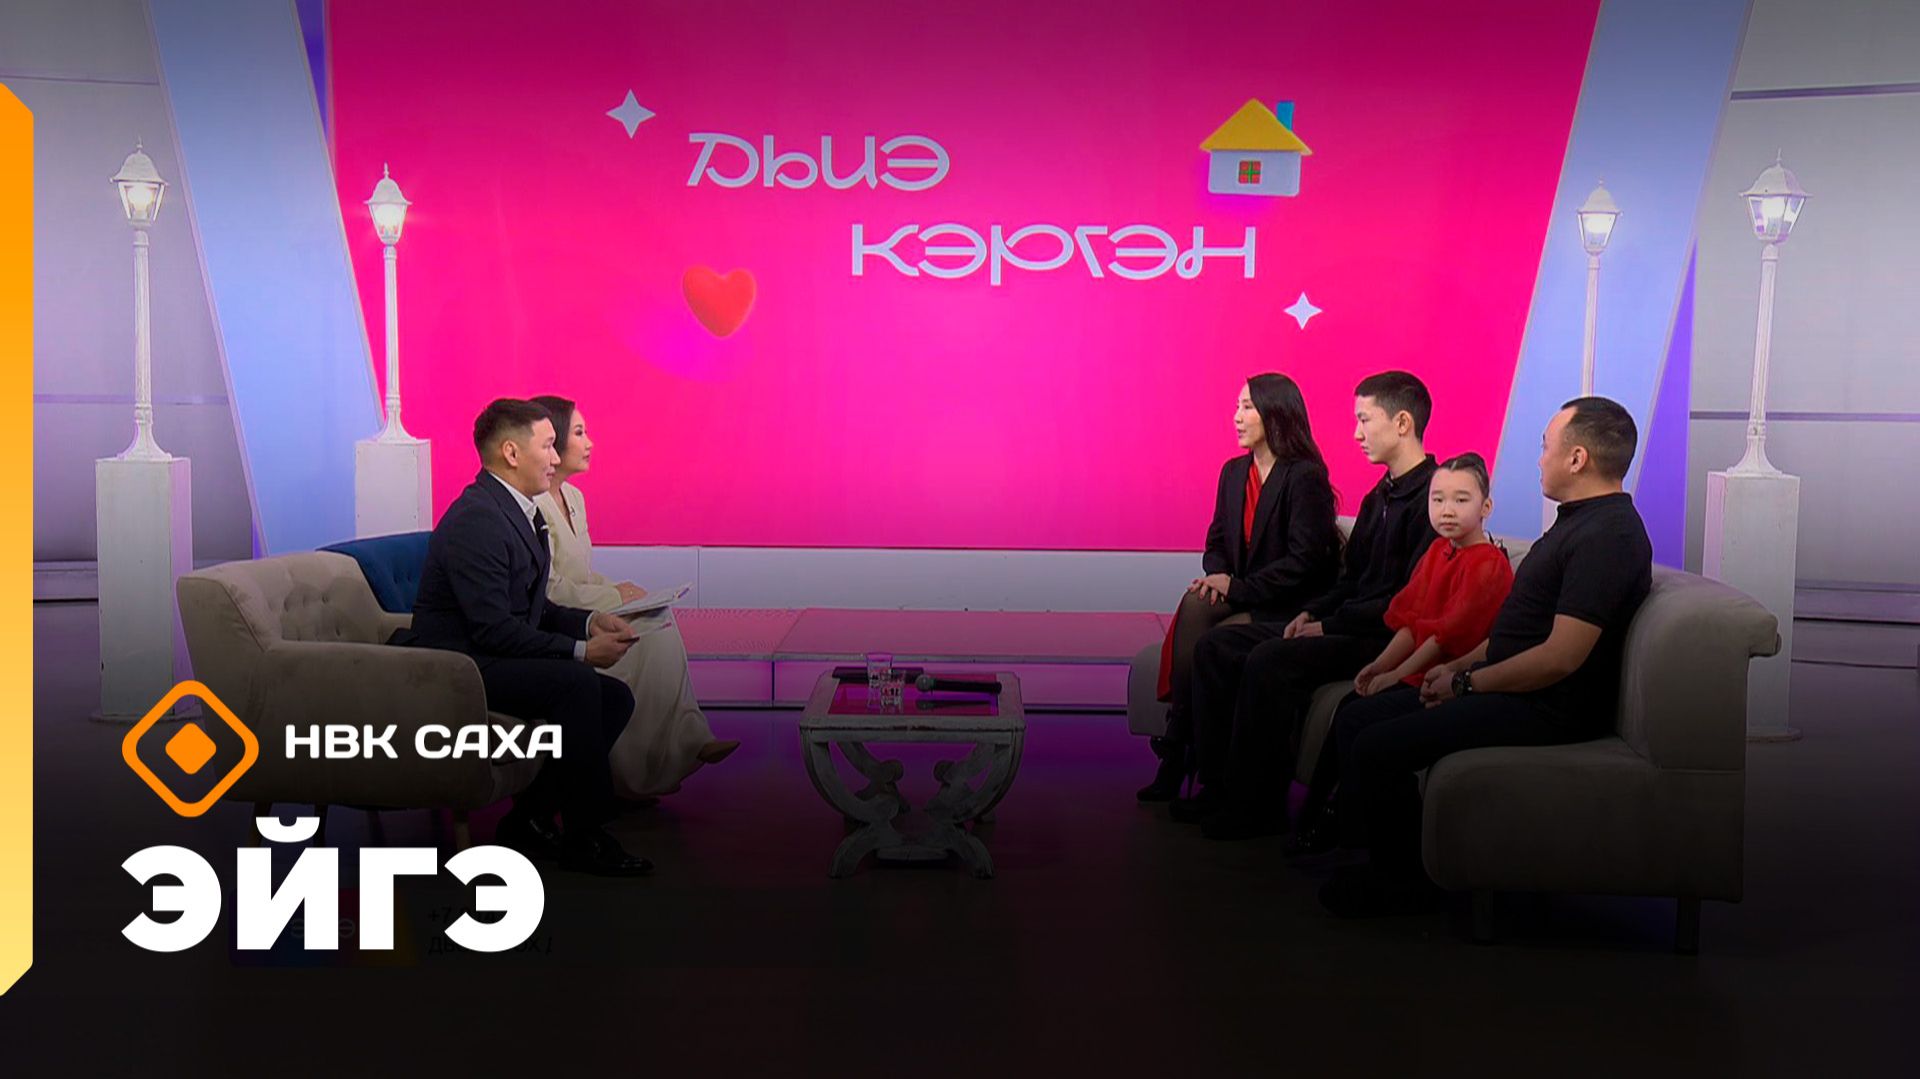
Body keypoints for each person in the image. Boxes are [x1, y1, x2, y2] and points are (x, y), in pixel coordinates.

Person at [1319, 397, 1652, 917]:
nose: (1539, 458)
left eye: (1546, 447)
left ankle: (1402, 882)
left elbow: (1561, 657)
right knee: (1359, 717)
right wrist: (1458, 666)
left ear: (1577, 459)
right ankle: (1372, 856)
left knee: (1378, 746)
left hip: (1545, 707)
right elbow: (1517, 632)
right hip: (1510, 688)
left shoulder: (1608, 536)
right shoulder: (1578, 523)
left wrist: (1468, 684)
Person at [1179, 371, 1438, 839]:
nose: (1356, 433)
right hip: (1346, 621)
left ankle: (1257, 807)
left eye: (1364, 420)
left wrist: (1328, 623)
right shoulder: (1379, 495)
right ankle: (1219, 787)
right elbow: (1352, 580)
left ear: (1402, 423)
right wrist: (1314, 613)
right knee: (1216, 647)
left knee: (1269, 658)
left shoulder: (1434, 500)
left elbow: (1405, 601)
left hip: (1380, 637)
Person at [403, 398, 653, 877]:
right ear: (512, 453)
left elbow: (536, 608)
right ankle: (586, 835)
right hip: (460, 666)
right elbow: (493, 628)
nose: (556, 458)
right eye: (548, 446)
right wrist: (580, 652)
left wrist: (589, 623)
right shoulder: (478, 520)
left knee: (614, 698)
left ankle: (529, 819)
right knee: (577, 685)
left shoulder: (517, 511)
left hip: (489, 653)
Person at [1285, 452, 1513, 856]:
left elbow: (1443, 637)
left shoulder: (1489, 564)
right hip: (1418, 668)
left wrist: (1394, 676)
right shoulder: (1437, 552)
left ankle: (1348, 829)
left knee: (1359, 715)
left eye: (1461, 500)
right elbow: (1410, 621)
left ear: (1486, 507)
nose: (1447, 510)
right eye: (1438, 499)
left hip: (1445, 678)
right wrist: (1379, 665)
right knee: (1349, 705)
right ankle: (1319, 813)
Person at [1137, 374, 1341, 801]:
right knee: (1197, 601)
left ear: (1275, 412)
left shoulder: (1303, 477)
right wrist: (1218, 579)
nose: (1237, 417)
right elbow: (1216, 543)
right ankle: (1178, 749)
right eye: (1237, 407)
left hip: (1287, 602)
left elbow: (1304, 563)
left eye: (1247, 407)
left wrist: (1237, 587)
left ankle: (1193, 762)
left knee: (1217, 640)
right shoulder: (1233, 472)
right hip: (1244, 592)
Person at [530, 395, 738, 799]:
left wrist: (622, 590)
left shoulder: (574, 499)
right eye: (579, 433)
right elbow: (551, 587)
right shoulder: (534, 507)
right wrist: (613, 595)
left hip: (590, 605)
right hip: (564, 618)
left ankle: (686, 740)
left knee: (660, 622)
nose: (589, 443)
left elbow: (582, 573)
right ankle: (639, 768)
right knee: (650, 639)